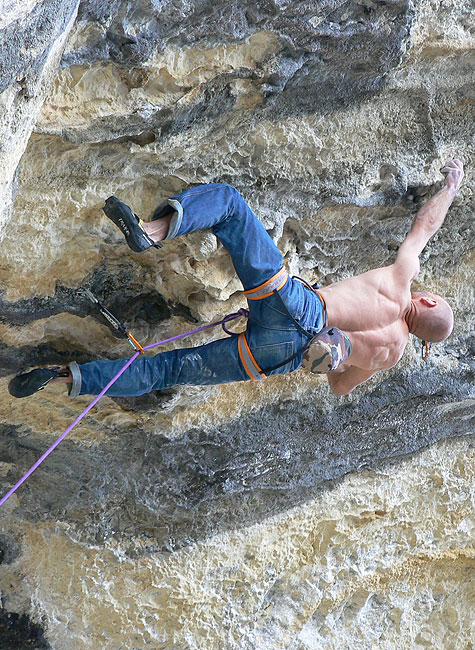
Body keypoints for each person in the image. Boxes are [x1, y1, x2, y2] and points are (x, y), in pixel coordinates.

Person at [8, 159, 463, 399]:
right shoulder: (392, 353)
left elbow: (424, 228)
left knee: (228, 205)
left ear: (424, 304)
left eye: (430, 297)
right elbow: (340, 385)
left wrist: (450, 188)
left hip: (296, 305)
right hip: (279, 356)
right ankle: (63, 380)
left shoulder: (401, 282)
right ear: (420, 340)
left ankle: (151, 234)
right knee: (167, 369)